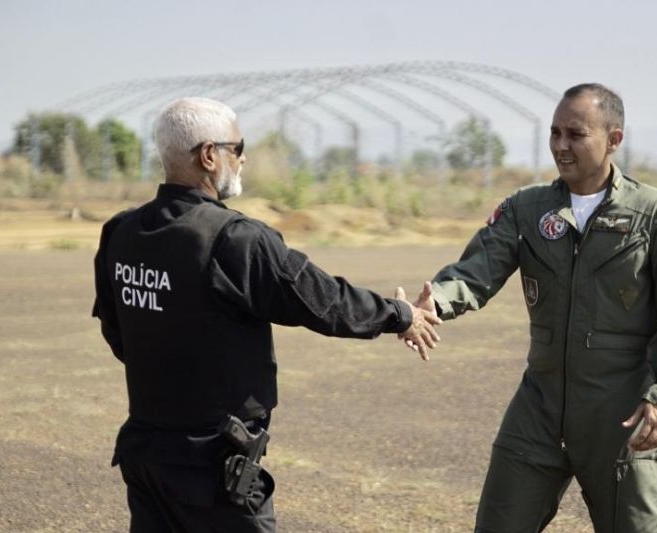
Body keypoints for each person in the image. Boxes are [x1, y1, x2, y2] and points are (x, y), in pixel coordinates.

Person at [92, 97, 441, 533]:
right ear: (208, 155)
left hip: (146, 457)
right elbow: (325, 301)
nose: (243, 159)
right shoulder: (236, 240)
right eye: (238, 149)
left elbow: (119, 334)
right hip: (212, 470)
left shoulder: (122, 232)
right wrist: (398, 314)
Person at [406, 83, 657, 532]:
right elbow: (475, 273)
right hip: (539, 410)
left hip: (620, 416)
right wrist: (436, 303)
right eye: (554, 133)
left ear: (613, 139)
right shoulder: (526, 209)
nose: (561, 146)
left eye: (575, 134)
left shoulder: (654, 213)